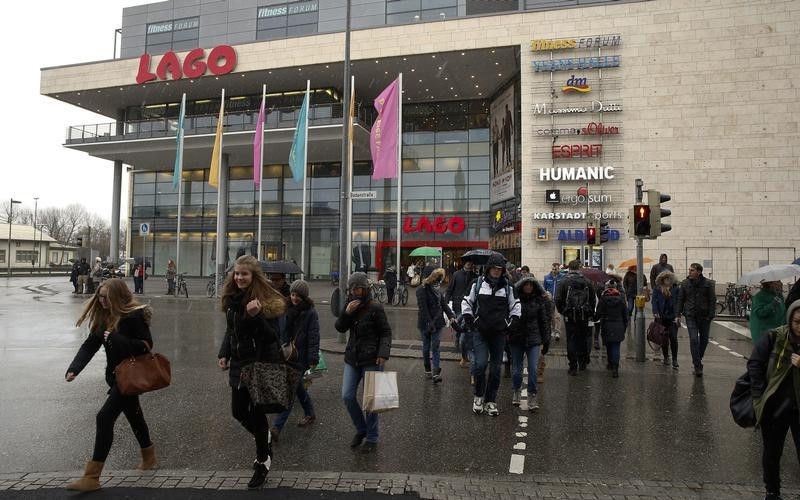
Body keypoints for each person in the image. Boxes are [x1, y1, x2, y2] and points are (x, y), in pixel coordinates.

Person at [64, 279, 157, 491]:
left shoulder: (133, 317)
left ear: (118, 297)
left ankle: (92, 477)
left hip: (129, 377)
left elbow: (145, 346)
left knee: (104, 417)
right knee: (134, 415)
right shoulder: (104, 316)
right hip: (116, 377)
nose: (102, 300)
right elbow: (90, 345)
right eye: (100, 296)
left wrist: (116, 338)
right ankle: (149, 456)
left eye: (106, 297)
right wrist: (74, 369)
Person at [217, 255, 287, 489]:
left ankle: (262, 461)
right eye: (236, 273)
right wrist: (223, 353)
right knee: (238, 411)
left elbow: (272, 337)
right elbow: (231, 331)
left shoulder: (266, 301)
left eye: (244, 274)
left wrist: (257, 316)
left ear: (253, 276)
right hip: (238, 363)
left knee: (257, 414)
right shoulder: (232, 299)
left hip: (258, 364)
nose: (239, 277)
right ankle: (263, 436)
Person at [747, 300, 800, 500]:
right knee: (772, 451)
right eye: (797, 322)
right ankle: (772, 491)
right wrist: (759, 397)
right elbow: (755, 364)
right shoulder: (774, 337)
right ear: (790, 319)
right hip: (776, 404)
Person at [334, 272, 392, 453]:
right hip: (353, 358)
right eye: (352, 288)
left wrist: (383, 353)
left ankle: (372, 438)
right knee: (347, 395)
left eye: (358, 288)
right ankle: (361, 429)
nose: (354, 292)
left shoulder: (375, 307)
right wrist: (346, 313)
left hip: (372, 358)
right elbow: (340, 327)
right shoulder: (350, 305)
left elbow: (385, 332)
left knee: (371, 401)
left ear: (365, 289)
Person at [461, 253, 521, 417]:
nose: (496, 271)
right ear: (489, 269)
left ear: (503, 270)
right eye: (494, 268)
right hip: (480, 332)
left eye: (499, 269)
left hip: (499, 334)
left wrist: (510, 325)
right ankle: (479, 396)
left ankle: (491, 400)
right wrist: (471, 322)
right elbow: (466, 302)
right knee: (480, 365)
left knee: (495, 369)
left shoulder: (508, 288)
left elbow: (516, 306)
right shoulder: (477, 284)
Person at [271, 280, 320, 441]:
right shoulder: (285, 309)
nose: (294, 298)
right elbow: (280, 331)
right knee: (297, 387)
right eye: (292, 294)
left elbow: (314, 336)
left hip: (301, 356)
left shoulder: (310, 313)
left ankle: (277, 427)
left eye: (298, 296)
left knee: (290, 391)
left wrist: (313, 359)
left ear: (304, 297)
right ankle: (310, 413)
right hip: (287, 354)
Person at [509, 276, 550, 410]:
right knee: (516, 370)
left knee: (533, 369)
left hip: (533, 338)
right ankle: (516, 391)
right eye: (526, 285)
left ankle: (532, 395)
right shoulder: (514, 300)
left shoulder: (538, 301)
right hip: (517, 338)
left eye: (531, 285)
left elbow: (544, 321)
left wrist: (546, 340)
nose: (528, 287)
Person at [555, 260, 596, 376]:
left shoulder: (564, 281)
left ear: (569, 268)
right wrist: (590, 312)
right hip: (584, 314)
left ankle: (572, 366)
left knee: (571, 339)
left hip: (569, 315)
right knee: (583, 338)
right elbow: (592, 299)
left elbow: (557, 298)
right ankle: (582, 362)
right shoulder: (587, 281)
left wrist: (562, 310)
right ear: (579, 268)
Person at [677, 263, 716, 377]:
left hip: (704, 316)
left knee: (704, 340)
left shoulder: (708, 283)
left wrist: (711, 315)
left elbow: (712, 300)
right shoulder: (685, 283)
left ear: (699, 272)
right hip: (690, 315)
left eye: (692, 270)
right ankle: (697, 365)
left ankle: (698, 359)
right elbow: (680, 299)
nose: (690, 272)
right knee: (694, 339)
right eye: (689, 270)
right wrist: (678, 315)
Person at [416, 267, 455, 383]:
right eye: (434, 276)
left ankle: (436, 372)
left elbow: (443, 304)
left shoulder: (438, 289)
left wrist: (451, 315)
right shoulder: (421, 290)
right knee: (426, 347)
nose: (437, 280)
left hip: (438, 322)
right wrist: (429, 322)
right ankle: (427, 368)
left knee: (436, 346)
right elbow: (423, 309)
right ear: (429, 277)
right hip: (425, 323)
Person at [446, 259, 478, 365]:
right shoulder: (457, 274)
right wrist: (446, 303)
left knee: (465, 327)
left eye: (471, 263)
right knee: (459, 324)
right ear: (464, 263)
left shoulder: (475, 276)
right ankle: (459, 338)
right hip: (458, 304)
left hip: (470, 306)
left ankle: (463, 345)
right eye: (468, 263)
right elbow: (450, 289)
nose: (469, 264)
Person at [596, 279, 628, 378]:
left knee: (609, 345)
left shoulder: (603, 299)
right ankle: (615, 368)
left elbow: (598, 313)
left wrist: (594, 318)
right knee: (616, 347)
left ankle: (610, 363)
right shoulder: (621, 299)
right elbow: (625, 315)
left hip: (607, 324)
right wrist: (624, 326)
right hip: (618, 325)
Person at [651, 271, 681, 368]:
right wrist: (655, 312)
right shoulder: (657, 289)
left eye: (669, 279)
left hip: (672, 317)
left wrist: (678, 315)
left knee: (673, 338)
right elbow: (654, 301)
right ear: (662, 280)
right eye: (665, 279)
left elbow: (678, 302)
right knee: (664, 338)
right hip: (661, 318)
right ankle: (666, 357)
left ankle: (675, 359)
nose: (667, 281)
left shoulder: (676, 289)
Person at [750, 281, 787, 345]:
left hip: (779, 333)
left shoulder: (779, 295)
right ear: (770, 284)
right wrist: (772, 304)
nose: (781, 283)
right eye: (777, 281)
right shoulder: (759, 296)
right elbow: (760, 312)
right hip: (764, 335)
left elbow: (783, 312)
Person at [542, 262, 563, 341]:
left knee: (557, 316)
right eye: (553, 269)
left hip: (558, 299)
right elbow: (544, 289)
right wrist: (546, 295)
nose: (554, 270)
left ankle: (557, 332)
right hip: (549, 300)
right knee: (550, 316)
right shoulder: (547, 277)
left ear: (558, 269)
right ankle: (552, 330)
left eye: (556, 269)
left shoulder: (562, 277)